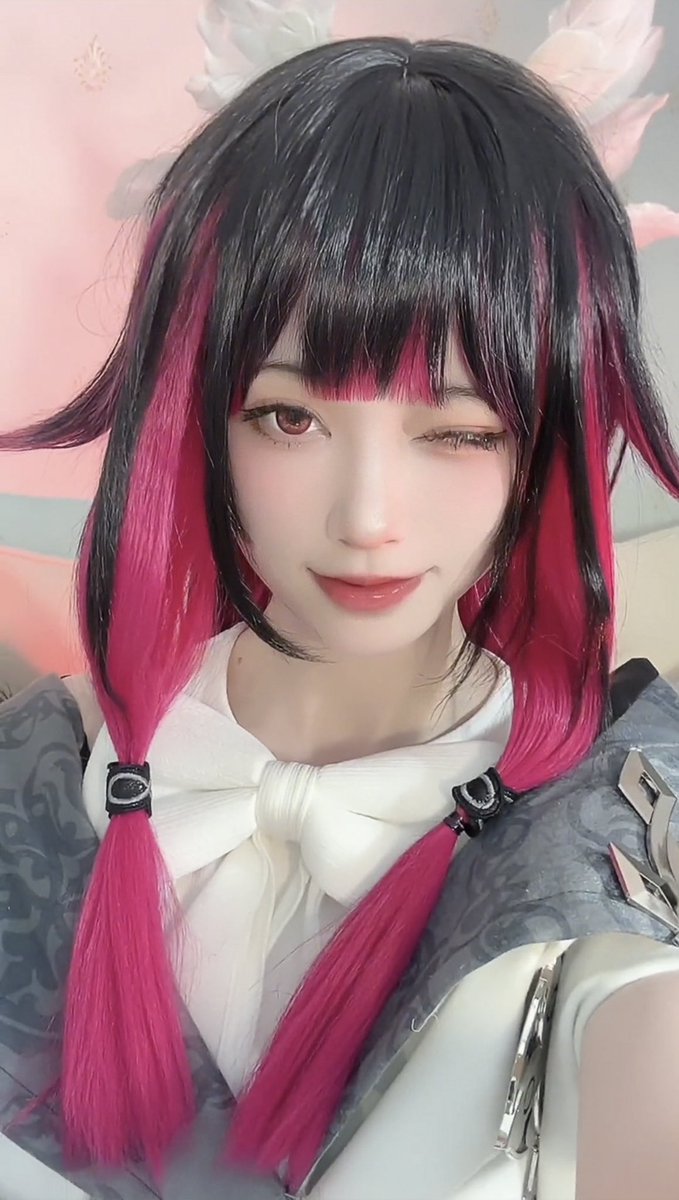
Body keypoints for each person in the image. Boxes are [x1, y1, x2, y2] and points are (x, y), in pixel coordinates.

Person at [2, 34, 679, 1200]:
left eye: (457, 431)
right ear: (201, 415)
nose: (369, 518)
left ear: (545, 444)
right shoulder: (38, 771)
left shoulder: (617, 836)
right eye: (290, 419)